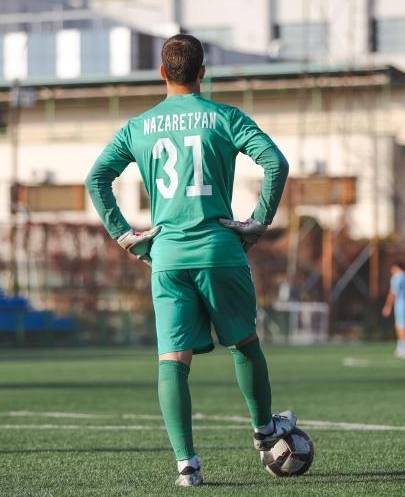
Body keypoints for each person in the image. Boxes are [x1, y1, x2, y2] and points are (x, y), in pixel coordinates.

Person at [85, 34, 294, 487]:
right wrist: (258, 221)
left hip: (167, 256)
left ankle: (187, 467)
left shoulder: (138, 127)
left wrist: (124, 235)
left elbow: (96, 178)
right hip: (221, 251)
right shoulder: (225, 117)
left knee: (172, 359)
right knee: (244, 344)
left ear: (162, 73)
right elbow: (276, 164)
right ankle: (264, 432)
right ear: (202, 72)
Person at [382, 261, 405, 359]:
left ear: (397, 267)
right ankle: (400, 347)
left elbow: (393, 292)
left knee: (401, 326)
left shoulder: (397, 277)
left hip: (401, 303)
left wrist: (387, 306)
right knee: (404, 325)